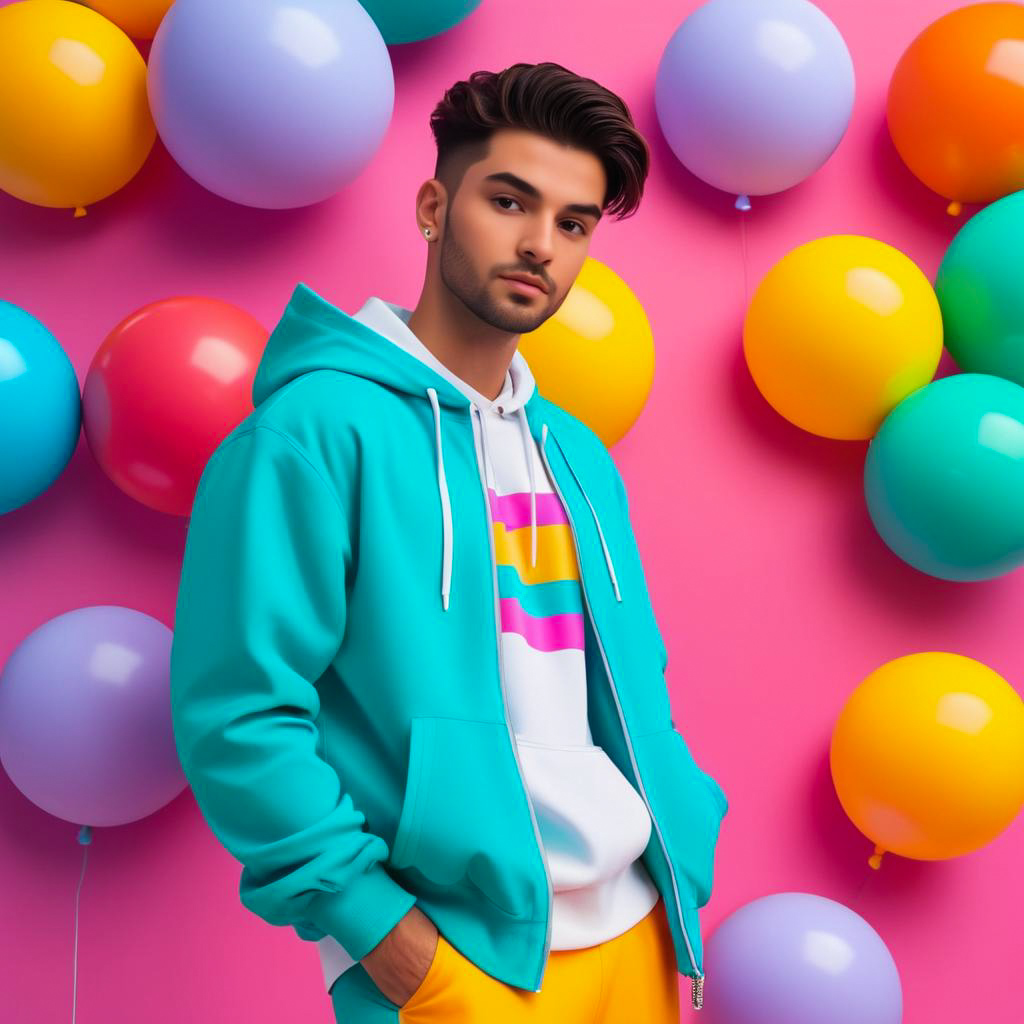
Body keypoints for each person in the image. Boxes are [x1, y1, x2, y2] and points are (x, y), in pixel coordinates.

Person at [170, 61, 729, 1024]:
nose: (538, 244)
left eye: (573, 222)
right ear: (434, 206)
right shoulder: (311, 434)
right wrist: (377, 931)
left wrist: (680, 853)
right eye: (509, 200)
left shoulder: (577, 455)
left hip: (634, 934)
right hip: (455, 953)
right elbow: (238, 709)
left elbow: (631, 686)